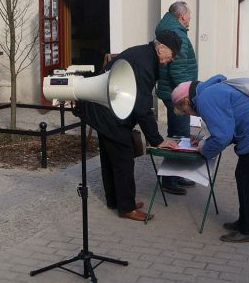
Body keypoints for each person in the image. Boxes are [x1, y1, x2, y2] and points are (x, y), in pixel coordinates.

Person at [77, 30, 182, 220]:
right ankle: (126, 207)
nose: (171, 59)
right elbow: (143, 108)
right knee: (124, 159)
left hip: (104, 108)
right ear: (161, 48)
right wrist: (157, 141)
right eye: (172, 54)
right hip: (107, 112)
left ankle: (115, 201)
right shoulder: (145, 64)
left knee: (111, 158)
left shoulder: (144, 55)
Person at [171, 75, 249, 242]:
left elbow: (223, 136)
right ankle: (245, 221)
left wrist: (203, 149)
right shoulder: (209, 90)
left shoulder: (205, 99)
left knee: (246, 178)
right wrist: (205, 140)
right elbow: (226, 125)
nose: (190, 114)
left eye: (186, 111)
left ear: (186, 100)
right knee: (245, 176)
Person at [155, 1, 198, 195]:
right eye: (189, 14)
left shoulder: (171, 29)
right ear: (182, 16)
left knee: (179, 135)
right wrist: (186, 96)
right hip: (178, 95)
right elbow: (178, 69)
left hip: (173, 92)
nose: (190, 18)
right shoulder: (178, 33)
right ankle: (169, 180)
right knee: (179, 137)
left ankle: (175, 175)